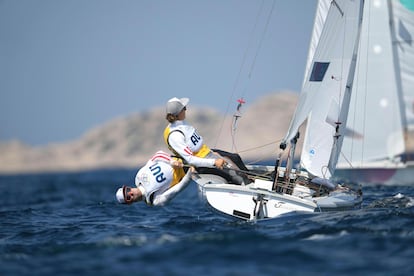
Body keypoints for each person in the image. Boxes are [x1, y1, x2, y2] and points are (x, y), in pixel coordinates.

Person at [163, 97, 250, 185]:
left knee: (235, 158)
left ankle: (251, 178)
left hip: (207, 153)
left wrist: (213, 153)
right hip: (201, 163)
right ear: (178, 113)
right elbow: (190, 159)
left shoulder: (181, 123)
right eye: (184, 108)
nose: (186, 110)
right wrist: (214, 162)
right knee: (235, 174)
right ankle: (247, 185)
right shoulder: (175, 136)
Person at [115, 151, 194, 206]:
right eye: (128, 197)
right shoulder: (154, 200)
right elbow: (178, 189)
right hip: (187, 171)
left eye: (128, 190)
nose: (131, 193)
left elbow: (157, 155)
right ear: (130, 203)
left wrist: (171, 161)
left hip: (178, 156)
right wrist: (190, 174)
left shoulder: (139, 176)